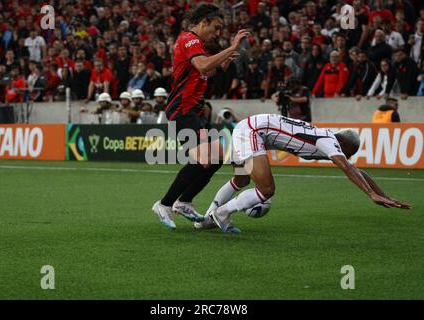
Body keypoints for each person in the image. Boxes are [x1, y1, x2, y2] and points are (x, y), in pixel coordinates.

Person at [195, 114, 411, 233]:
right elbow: (348, 168)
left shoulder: (326, 139)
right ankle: (222, 213)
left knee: (241, 178)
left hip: (248, 128)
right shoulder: (330, 142)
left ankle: (205, 219)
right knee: (267, 189)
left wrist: (382, 194)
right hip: (251, 132)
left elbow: (357, 170)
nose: (348, 157)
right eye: (349, 153)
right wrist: (370, 194)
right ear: (343, 143)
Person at [152, 3, 249, 229]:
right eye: (216, 28)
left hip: (194, 111)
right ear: (203, 22)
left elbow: (207, 70)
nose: (217, 33)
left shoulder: (198, 46)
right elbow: (203, 66)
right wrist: (230, 47)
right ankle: (165, 204)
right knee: (205, 158)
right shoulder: (189, 39)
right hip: (182, 110)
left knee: (215, 157)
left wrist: (225, 60)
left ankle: (184, 201)